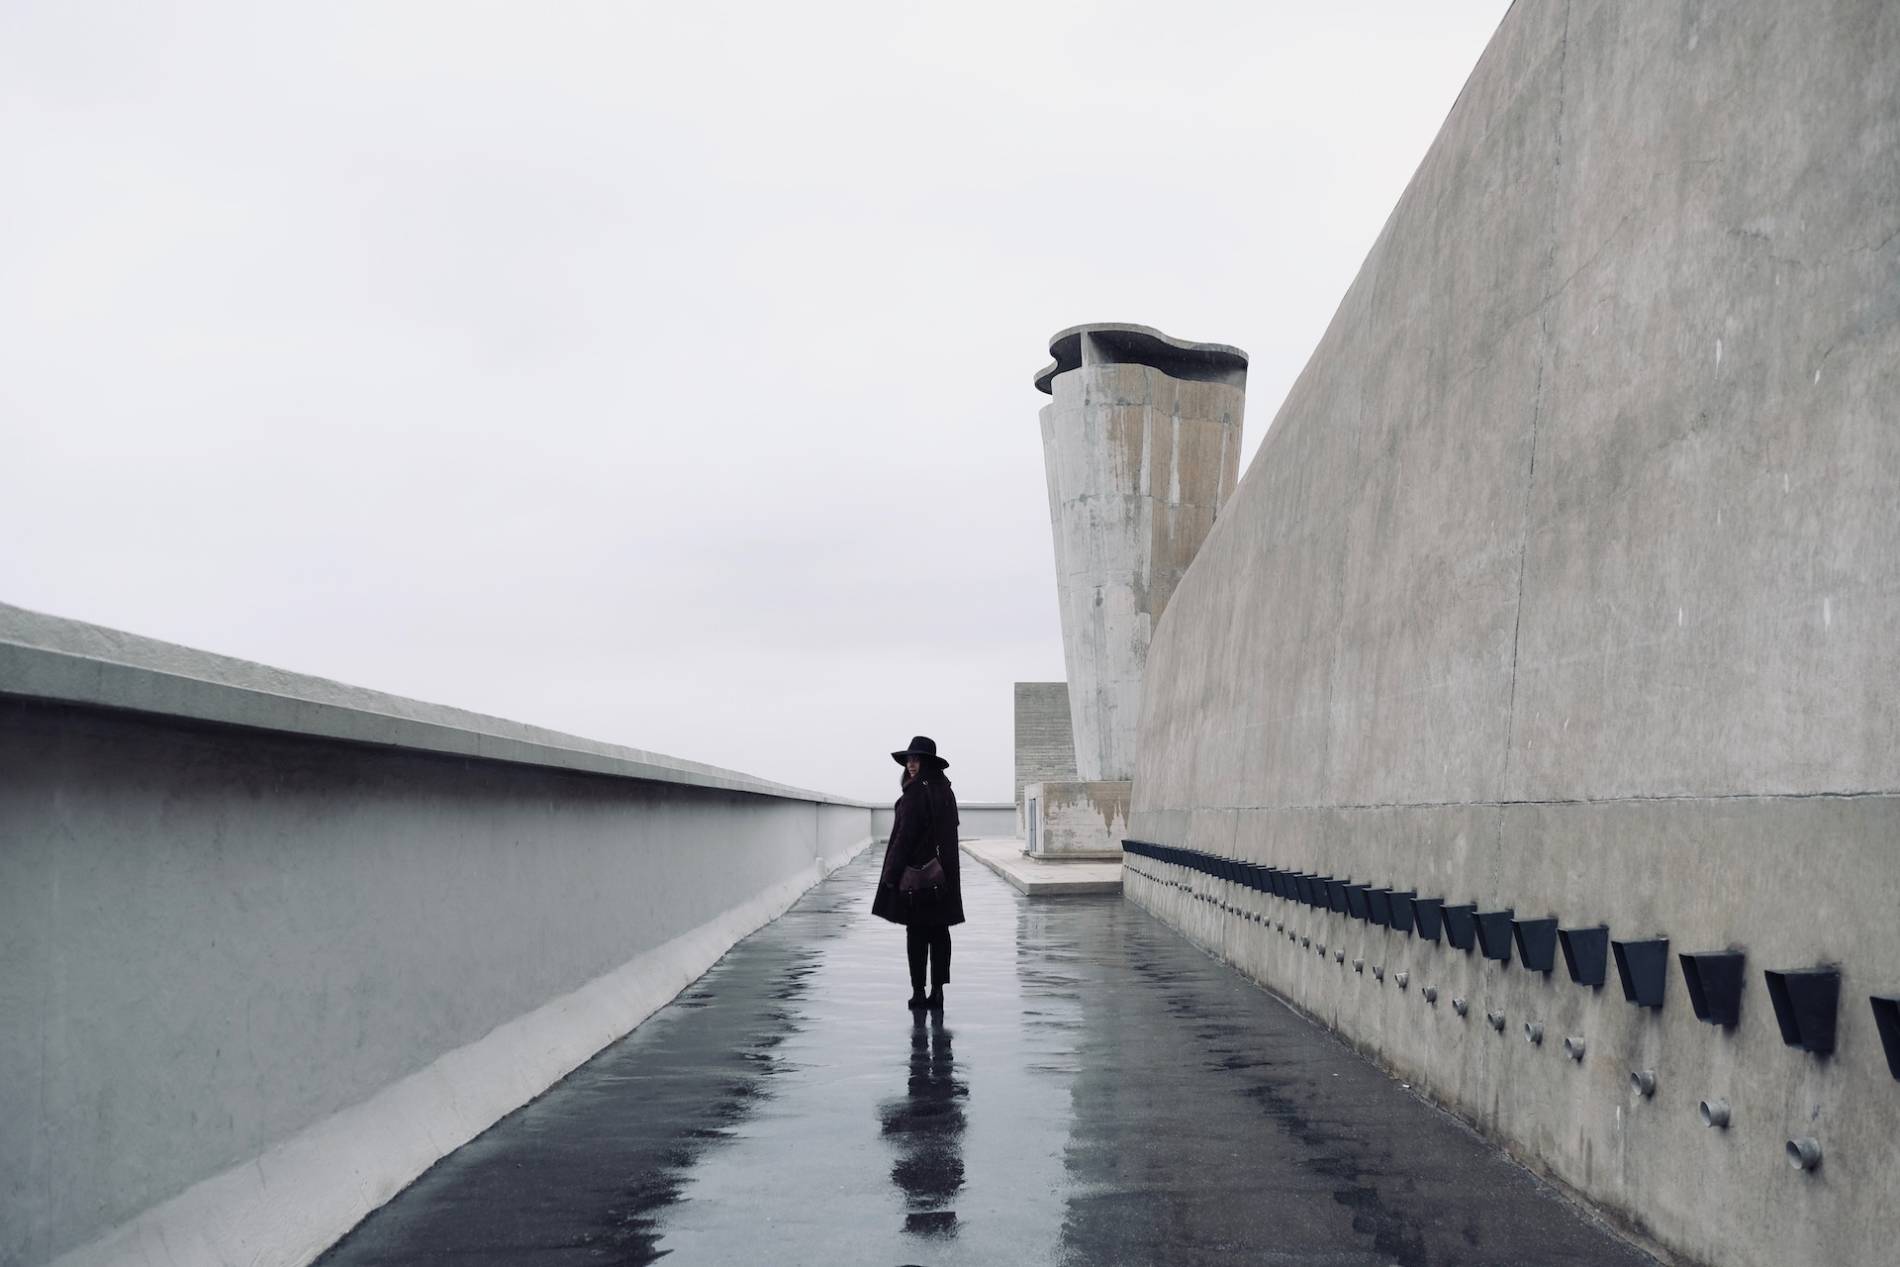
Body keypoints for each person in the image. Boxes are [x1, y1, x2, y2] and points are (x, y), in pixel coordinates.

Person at [871, 735, 965, 1010]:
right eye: (909, 760)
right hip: (944, 875)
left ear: (926, 762)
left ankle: (919, 992)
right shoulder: (946, 790)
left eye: (916, 759)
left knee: (917, 934)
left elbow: (904, 839)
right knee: (939, 933)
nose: (911, 765)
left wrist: (890, 876)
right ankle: (938, 992)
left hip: (918, 877)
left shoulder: (915, 793)